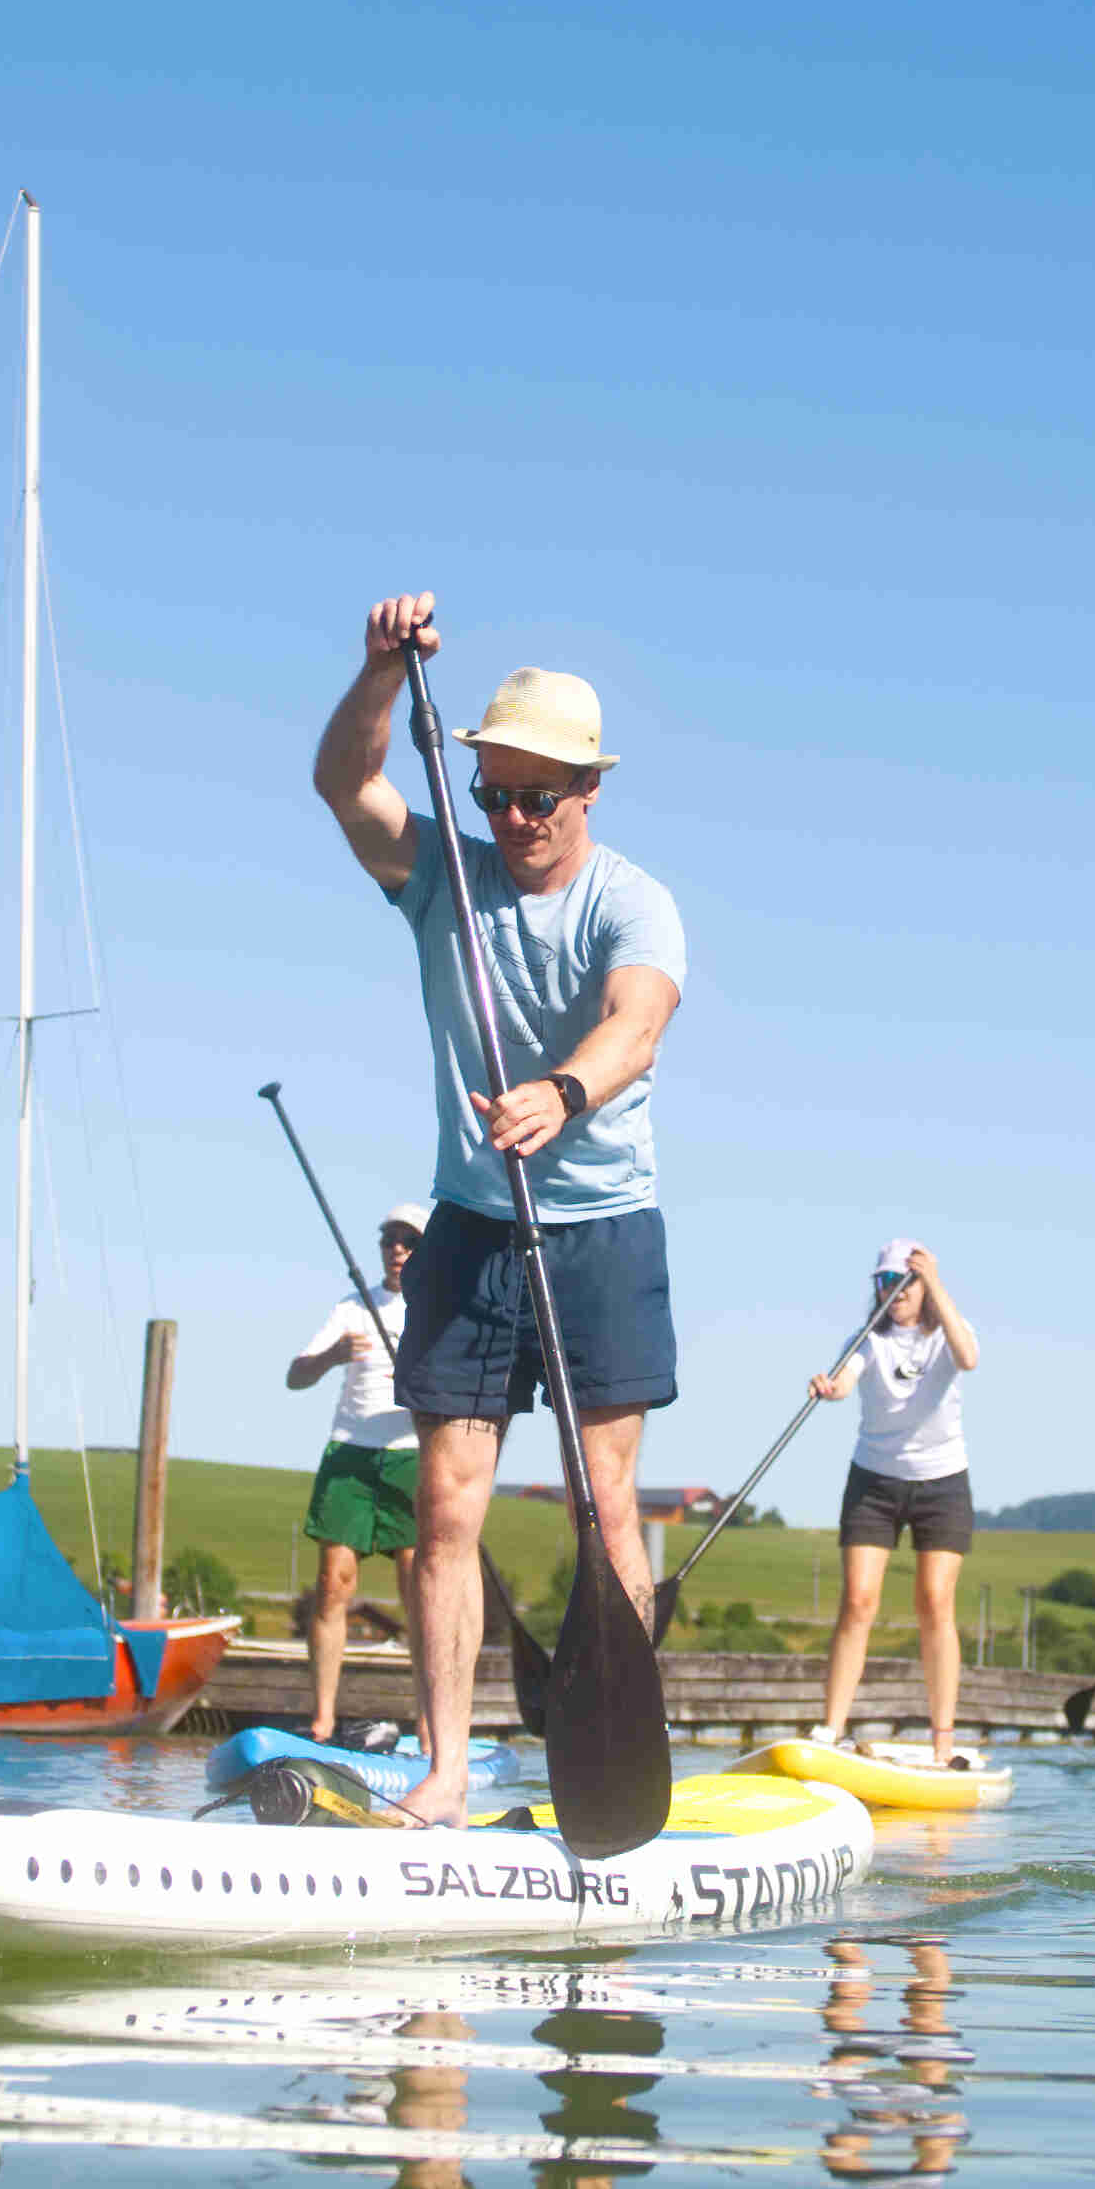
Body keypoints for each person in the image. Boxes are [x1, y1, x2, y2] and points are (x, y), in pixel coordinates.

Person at [315, 593, 689, 1827]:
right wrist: (379, 676)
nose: (514, 818)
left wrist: (563, 1090)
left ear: (589, 791)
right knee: (444, 1505)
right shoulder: (445, 881)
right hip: (474, 1221)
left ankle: (624, 1752)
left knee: (603, 1499)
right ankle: (446, 1771)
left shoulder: (634, 901)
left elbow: (637, 1021)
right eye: (495, 794)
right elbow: (343, 786)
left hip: (601, 1223)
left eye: (540, 797)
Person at [806, 1240, 981, 1755]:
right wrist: (827, 1386)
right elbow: (842, 1382)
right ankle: (832, 1729)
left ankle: (942, 1742)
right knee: (858, 1601)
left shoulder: (949, 1334)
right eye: (886, 1282)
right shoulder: (868, 1338)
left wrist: (938, 1283)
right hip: (875, 1481)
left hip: (942, 1481)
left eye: (905, 1282)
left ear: (925, 1288)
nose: (895, 1292)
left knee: (934, 1602)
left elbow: (969, 1358)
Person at [282, 1214, 426, 1745]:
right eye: (389, 1239)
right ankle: (322, 1718)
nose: (397, 1249)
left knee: (420, 1593)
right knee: (332, 1585)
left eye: (409, 1241)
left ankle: (432, 1722)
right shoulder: (351, 1307)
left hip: (409, 1454)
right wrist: (332, 1356)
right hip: (350, 1452)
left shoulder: (435, 1307)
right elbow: (296, 1375)